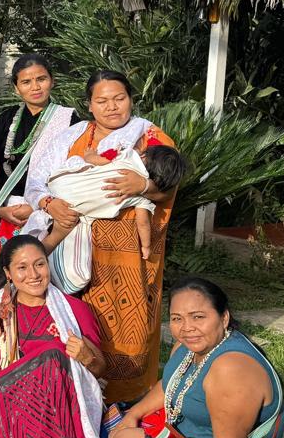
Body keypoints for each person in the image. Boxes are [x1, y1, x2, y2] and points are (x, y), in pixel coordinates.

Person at [23, 70, 179, 404]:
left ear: (131, 100)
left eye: (119, 98)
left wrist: (143, 187)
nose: (111, 107)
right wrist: (50, 204)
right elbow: (37, 183)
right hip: (74, 247)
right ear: (89, 105)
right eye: (102, 100)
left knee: (131, 326)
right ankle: (78, 397)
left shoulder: (149, 136)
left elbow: (171, 181)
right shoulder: (71, 137)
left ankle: (131, 399)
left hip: (128, 257)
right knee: (79, 321)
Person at [106, 277, 284, 438]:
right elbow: (172, 381)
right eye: (177, 318)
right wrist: (134, 414)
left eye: (198, 317)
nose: (186, 327)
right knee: (117, 424)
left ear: (224, 318)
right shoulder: (190, 346)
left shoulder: (230, 369)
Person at [0, 236, 106, 438]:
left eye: (39, 264)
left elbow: (99, 371)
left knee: (52, 356)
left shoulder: (74, 309)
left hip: (60, 403)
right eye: (22, 267)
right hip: (14, 399)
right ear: (8, 273)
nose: (33, 274)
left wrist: (86, 357)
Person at [0, 54, 77, 272]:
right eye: (26, 82)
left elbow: (72, 171)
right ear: (16, 88)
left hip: (48, 210)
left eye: (41, 79)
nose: (35, 87)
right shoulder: (6, 119)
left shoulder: (68, 120)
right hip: (8, 210)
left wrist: (37, 206)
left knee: (40, 274)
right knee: (6, 275)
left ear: (52, 81)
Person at [44, 142, 187, 262]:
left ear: (144, 155)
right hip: (72, 208)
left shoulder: (127, 156)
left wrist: (89, 156)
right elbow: (143, 223)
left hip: (60, 182)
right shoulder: (142, 198)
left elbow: (98, 160)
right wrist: (146, 246)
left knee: (78, 162)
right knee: (54, 239)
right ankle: (39, 255)